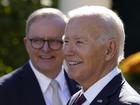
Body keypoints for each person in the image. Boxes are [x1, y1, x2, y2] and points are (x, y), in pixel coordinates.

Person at [0, 8, 80, 105]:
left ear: (67, 44)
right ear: (26, 44)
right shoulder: (4, 91)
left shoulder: (83, 85)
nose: (46, 49)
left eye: (54, 41)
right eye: (37, 41)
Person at [63, 6, 140, 105]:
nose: (68, 51)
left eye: (79, 42)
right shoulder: (77, 99)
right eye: (66, 41)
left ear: (109, 50)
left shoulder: (126, 103)